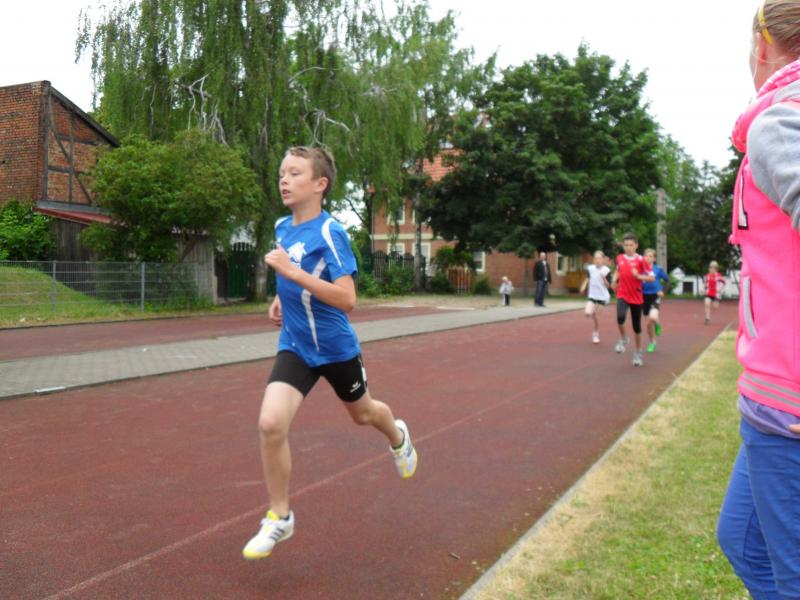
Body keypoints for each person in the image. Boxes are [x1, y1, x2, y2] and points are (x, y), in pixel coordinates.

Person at [242, 146, 418, 561]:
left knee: (364, 415)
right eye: (282, 173)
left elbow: (347, 298)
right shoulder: (282, 226)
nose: (284, 180)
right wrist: (281, 297)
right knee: (270, 423)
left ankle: (398, 437)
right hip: (296, 345)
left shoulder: (331, 232)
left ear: (319, 184)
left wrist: (292, 273)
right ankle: (280, 516)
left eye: (294, 173)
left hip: (336, 348)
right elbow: (293, 276)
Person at [716, 3, 800, 598]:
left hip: (787, 399)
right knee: (742, 541)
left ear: (764, 46)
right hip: (773, 395)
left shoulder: (781, 121)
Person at [610, 233, 654, 367]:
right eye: (626, 245)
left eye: (631, 245)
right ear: (623, 246)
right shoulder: (620, 258)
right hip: (622, 294)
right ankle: (624, 338)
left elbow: (651, 277)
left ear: (636, 246)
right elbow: (618, 270)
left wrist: (639, 276)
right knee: (620, 317)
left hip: (636, 296)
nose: (628, 248)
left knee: (637, 327)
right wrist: (614, 280)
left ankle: (638, 352)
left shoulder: (641, 260)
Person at [641, 248, 670, 353]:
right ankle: (652, 342)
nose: (648, 258)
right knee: (649, 324)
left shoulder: (658, 269)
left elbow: (667, 281)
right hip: (643, 298)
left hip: (655, 296)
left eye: (650, 256)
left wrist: (663, 291)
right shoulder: (640, 269)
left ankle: (656, 324)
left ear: (654, 259)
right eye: (646, 256)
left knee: (652, 317)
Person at [579, 250, 611, 344]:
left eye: (599, 258)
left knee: (596, 316)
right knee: (587, 313)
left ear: (603, 259)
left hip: (603, 297)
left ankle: (595, 334)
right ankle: (593, 312)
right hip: (593, 295)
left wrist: (604, 279)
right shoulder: (591, 268)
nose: (597, 260)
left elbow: (608, 286)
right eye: (596, 258)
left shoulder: (606, 270)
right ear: (593, 260)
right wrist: (584, 286)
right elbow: (588, 278)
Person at [703, 261, 726, 325]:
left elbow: (723, 283)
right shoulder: (707, 276)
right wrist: (703, 288)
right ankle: (707, 319)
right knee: (707, 304)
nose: (710, 269)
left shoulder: (719, 276)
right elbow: (705, 284)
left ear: (715, 269)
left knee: (715, 307)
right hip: (708, 293)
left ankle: (716, 302)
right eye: (710, 268)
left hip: (716, 294)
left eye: (712, 268)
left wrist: (720, 290)